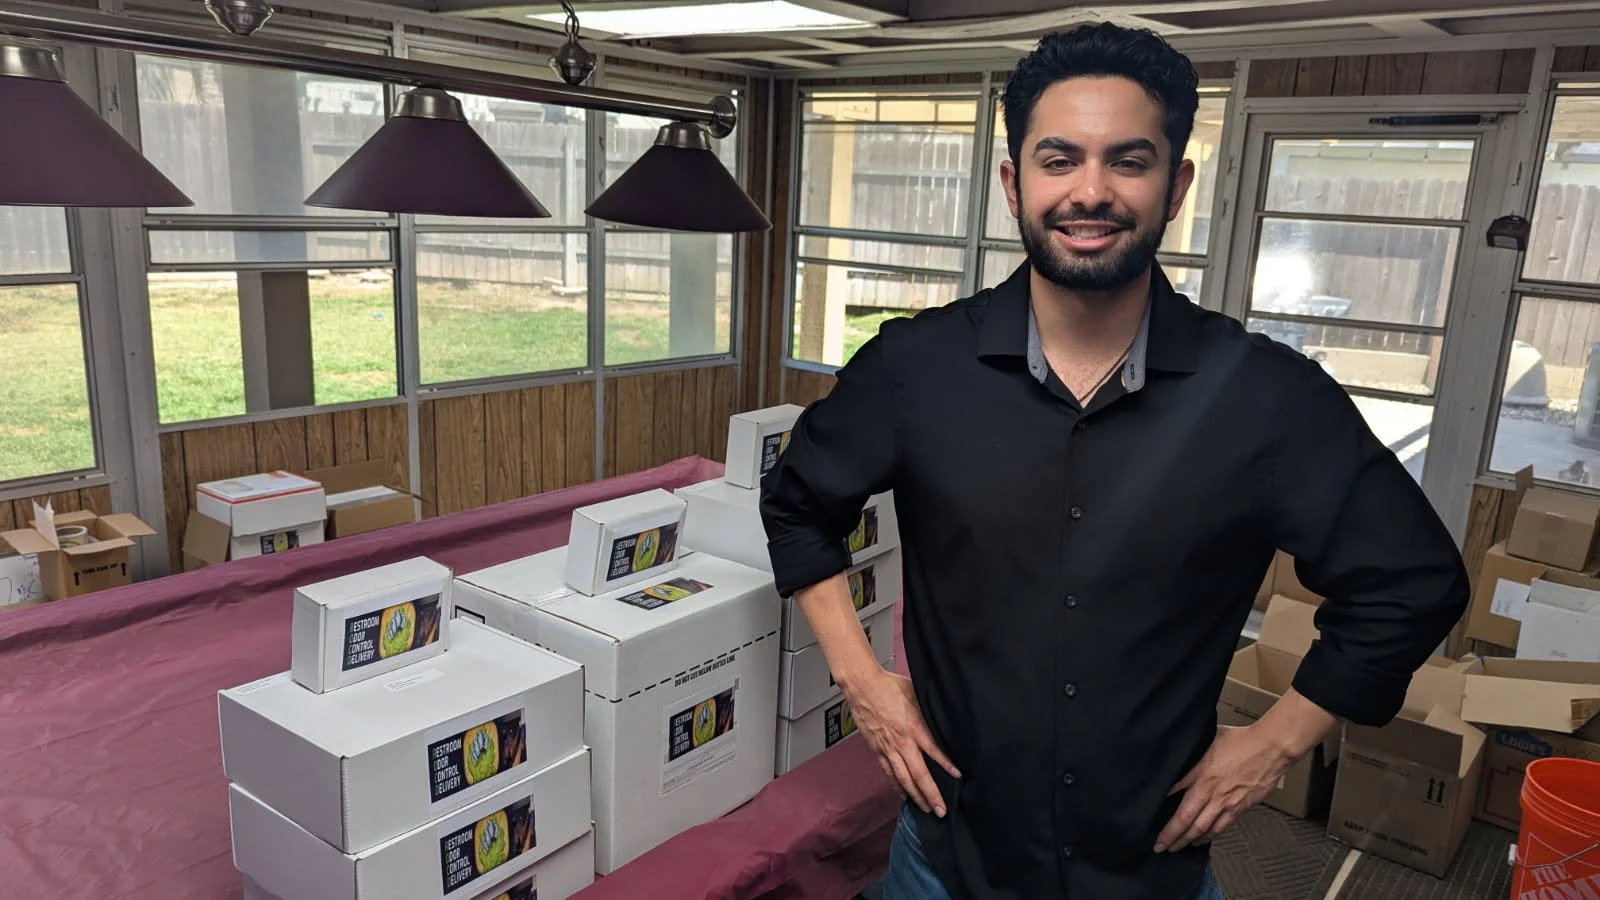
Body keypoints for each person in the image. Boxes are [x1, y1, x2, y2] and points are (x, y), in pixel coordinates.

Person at [758, 21, 1470, 900]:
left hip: (1151, 870)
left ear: (1176, 187)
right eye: (1059, 160)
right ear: (1015, 183)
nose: (1090, 191)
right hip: (946, 861)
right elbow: (798, 504)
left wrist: (1275, 741)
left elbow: (1411, 582)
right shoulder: (914, 369)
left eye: (1128, 161)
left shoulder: (1267, 397)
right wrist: (861, 681)